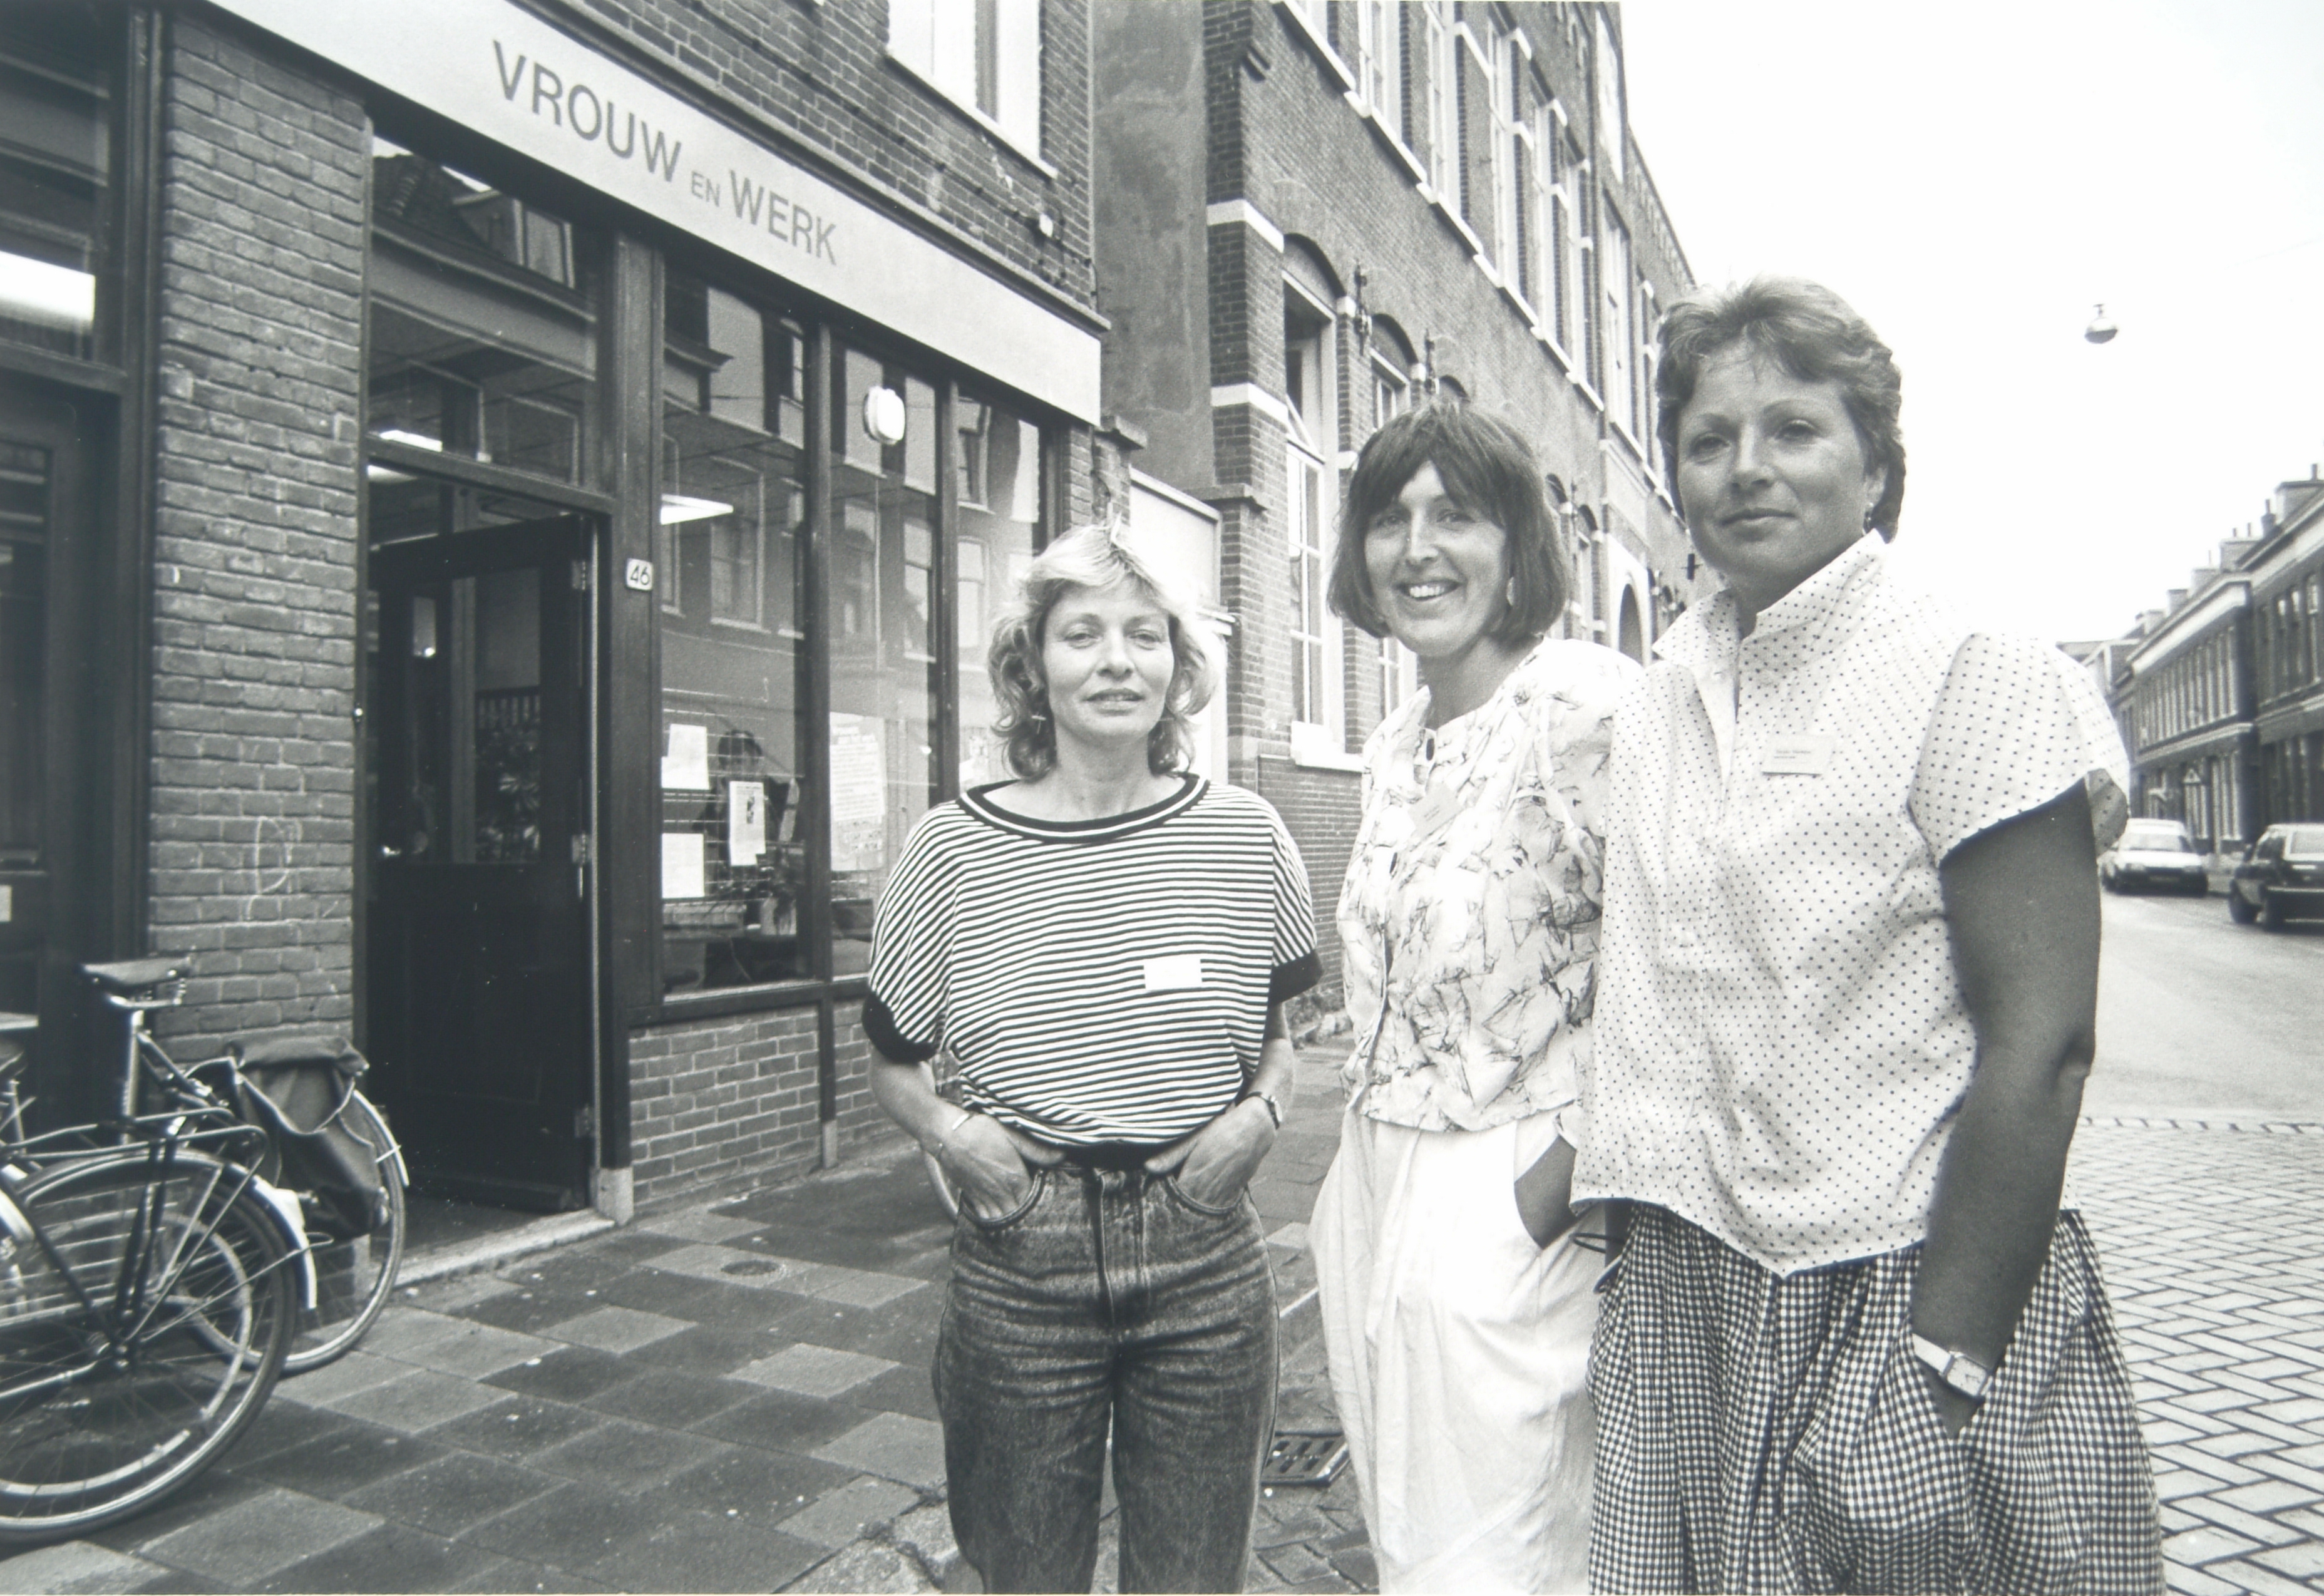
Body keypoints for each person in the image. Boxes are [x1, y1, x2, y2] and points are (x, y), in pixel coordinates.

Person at [1576, 277, 2164, 1595]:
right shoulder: (1661, 697)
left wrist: (1940, 1370)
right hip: (1687, 1298)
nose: (1746, 466)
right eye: (1709, 438)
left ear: (1877, 468)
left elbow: (2043, 1045)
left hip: (1902, 1290)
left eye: (1793, 429)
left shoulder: (1972, 669)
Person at [863, 523, 1320, 1593]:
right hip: (1024, 1254)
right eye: (1083, 634)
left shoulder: (1249, 837)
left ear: (1178, 664)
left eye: (1144, 635)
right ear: (1034, 666)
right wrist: (958, 1139)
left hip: (1204, 1248)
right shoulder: (949, 848)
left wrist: (1258, 1120)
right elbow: (892, 1065)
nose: (1118, 660)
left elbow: (1282, 1041)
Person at [1307, 403, 1637, 1592]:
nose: (1418, 549)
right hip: (1375, 1177)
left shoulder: (1584, 707)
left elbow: (1686, 965)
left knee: (1501, 1560)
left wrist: (1547, 1193)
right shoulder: (1397, 739)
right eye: (1389, 519)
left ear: (1516, 546)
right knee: (1412, 1543)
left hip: (1513, 1176)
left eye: (1456, 515)